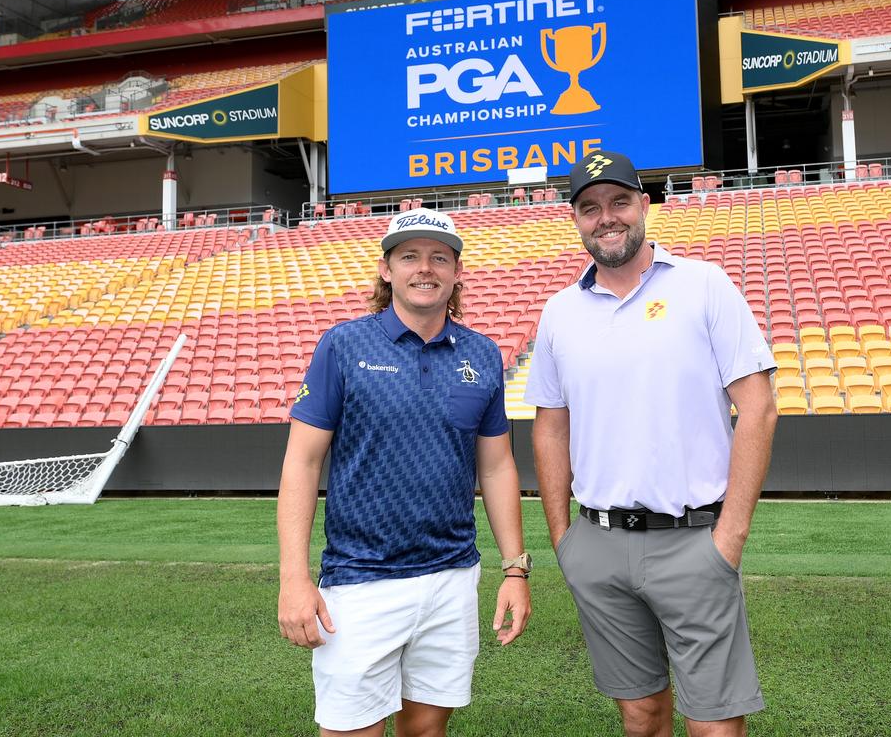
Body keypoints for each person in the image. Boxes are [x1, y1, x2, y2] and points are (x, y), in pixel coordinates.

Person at [525, 150, 778, 737]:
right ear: (576, 219)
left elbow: (758, 408)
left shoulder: (703, 284)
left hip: (695, 540)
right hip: (599, 542)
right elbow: (550, 425)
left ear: (644, 204)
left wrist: (730, 536)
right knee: (639, 715)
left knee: (714, 721)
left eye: (618, 202)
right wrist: (565, 540)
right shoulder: (560, 310)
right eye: (589, 208)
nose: (606, 217)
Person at [277, 207, 532, 737]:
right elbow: (302, 462)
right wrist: (293, 579)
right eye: (410, 256)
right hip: (359, 580)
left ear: (457, 272)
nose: (425, 268)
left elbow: (498, 464)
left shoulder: (483, 355)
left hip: (452, 579)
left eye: (440, 257)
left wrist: (515, 569)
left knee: (426, 730)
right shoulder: (343, 345)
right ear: (386, 269)